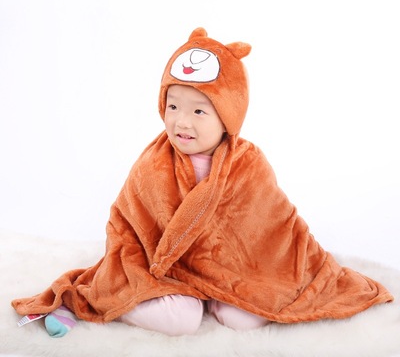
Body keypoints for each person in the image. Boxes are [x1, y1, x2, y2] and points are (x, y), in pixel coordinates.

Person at [12, 27, 393, 338]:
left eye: (198, 110)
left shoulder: (249, 163)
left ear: (228, 117)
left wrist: (271, 267)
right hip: (165, 271)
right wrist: (140, 266)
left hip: (230, 270)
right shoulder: (154, 163)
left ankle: (214, 293)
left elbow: (274, 224)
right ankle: (115, 305)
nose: (182, 122)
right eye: (173, 106)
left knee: (245, 317)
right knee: (181, 321)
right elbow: (130, 224)